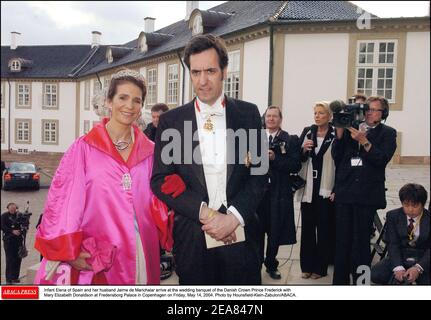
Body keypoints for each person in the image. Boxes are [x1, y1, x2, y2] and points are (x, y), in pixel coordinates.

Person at [151, 34, 267, 285]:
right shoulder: (172, 122)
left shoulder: (248, 114)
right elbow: (159, 180)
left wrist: (233, 217)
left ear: (224, 71)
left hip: (241, 234)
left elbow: (260, 174)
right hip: (193, 237)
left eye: (210, 71)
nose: (202, 81)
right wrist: (207, 215)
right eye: (195, 72)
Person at [34, 69, 167, 285]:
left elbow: (161, 200)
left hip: (143, 249)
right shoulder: (83, 148)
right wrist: (70, 250)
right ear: (108, 101)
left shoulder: (152, 152)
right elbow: (64, 202)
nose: (130, 106)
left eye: (137, 100)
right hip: (98, 253)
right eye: (122, 97)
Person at [331, 96, 397, 285]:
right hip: (345, 192)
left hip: (366, 195)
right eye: (367, 109)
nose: (369, 112)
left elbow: (381, 159)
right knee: (342, 241)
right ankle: (339, 285)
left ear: (383, 114)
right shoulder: (351, 126)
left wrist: (365, 141)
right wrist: (340, 132)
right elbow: (337, 156)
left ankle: (361, 284)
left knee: (361, 244)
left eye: (374, 110)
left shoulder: (388, 133)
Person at [256, 106, 301, 280]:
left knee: (275, 230)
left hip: (278, 192)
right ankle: (256, 262)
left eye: (275, 116)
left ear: (280, 119)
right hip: (258, 193)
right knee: (257, 230)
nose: (271, 119)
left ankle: (270, 264)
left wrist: (275, 159)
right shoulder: (256, 137)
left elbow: (295, 165)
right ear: (264, 118)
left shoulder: (289, 139)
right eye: (268, 116)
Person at [297, 101, 336, 280]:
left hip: (326, 187)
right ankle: (307, 266)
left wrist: (337, 189)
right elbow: (298, 156)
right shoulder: (308, 131)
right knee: (307, 228)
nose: (317, 116)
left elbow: (341, 162)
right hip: (309, 188)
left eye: (321, 113)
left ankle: (320, 267)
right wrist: (303, 149)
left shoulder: (336, 133)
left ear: (329, 116)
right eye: (315, 113)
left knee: (324, 229)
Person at [371, 183, 429, 285]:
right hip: (401, 254)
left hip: (422, 256)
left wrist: (418, 268)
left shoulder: (428, 218)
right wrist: (398, 267)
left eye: (415, 206)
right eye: (406, 205)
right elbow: (393, 244)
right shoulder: (393, 216)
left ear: (423, 204)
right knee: (375, 274)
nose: (410, 209)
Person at [1, 203, 23, 284]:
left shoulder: (19, 215)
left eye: (14, 209)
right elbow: (2, 226)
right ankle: (9, 279)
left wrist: (23, 229)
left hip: (18, 240)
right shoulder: (4, 216)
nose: (13, 210)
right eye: (11, 209)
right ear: (8, 208)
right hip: (8, 241)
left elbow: (23, 225)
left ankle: (15, 277)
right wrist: (12, 231)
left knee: (18, 259)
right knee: (10, 259)